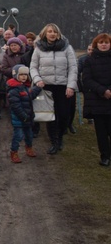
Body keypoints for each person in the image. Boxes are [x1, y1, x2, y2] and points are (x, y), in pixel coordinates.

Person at [29, 23, 78, 155]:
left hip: (63, 86)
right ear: (45, 33)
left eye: (55, 32)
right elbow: (33, 67)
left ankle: (60, 136)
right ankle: (55, 141)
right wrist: (37, 79)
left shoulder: (67, 48)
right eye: (50, 31)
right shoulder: (38, 48)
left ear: (58, 34)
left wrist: (71, 86)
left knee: (63, 115)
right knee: (50, 116)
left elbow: (73, 67)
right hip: (46, 86)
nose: (52, 34)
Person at [81, 33, 111, 167]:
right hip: (97, 100)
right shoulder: (90, 59)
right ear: (96, 44)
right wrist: (102, 91)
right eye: (101, 42)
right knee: (101, 132)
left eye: (106, 42)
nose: (104, 44)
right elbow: (87, 79)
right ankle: (105, 156)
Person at [6, 64, 42, 163]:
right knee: (18, 136)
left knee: (29, 135)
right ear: (16, 75)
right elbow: (15, 106)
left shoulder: (25, 87)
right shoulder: (13, 89)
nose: (24, 77)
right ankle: (14, 152)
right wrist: (24, 116)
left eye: (25, 74)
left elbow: (31, 96)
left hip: (27, 118)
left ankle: (29, 148)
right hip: (19, 118)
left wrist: (38, 88)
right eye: (21, 74)